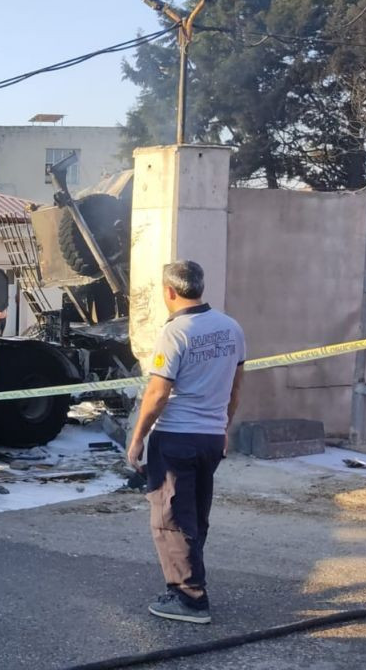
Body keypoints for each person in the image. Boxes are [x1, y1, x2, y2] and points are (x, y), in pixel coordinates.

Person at [125, 260, 244, 626]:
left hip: (176, 437)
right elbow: (235, 388)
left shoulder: (175, 332)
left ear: (169, 291)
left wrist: (137, 438)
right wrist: (223, 427)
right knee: (194, 514)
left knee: (171, 517)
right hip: (210, 437)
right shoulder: (231, 328)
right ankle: (189, 581)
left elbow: (158, 393)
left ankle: (189, 598)